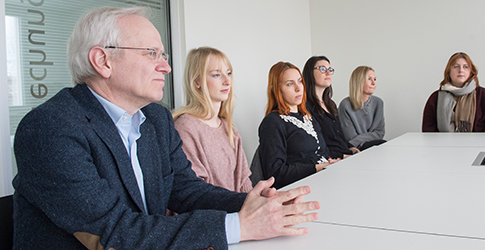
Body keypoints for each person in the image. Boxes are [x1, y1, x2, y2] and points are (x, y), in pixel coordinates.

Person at [11, 7, 319, 250]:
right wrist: (240, 225)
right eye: (151, 54)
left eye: (164, 54)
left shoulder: (155, 118)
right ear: (103, 60)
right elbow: (115, 231)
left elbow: (185, 191)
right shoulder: (49, 128)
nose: (166, 67)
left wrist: (254, 204)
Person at [172, 47, 252, 193]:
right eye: (216, 75)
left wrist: (256, 204)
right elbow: (194, 192)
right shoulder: (185, 128)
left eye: (228, 73)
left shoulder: (230, 128)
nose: (228, 81)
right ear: (197, 81)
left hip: (237, 212)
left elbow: (243, 181)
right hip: (213, 214)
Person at [257, 61, 336, 189]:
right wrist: (315, 168)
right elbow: (275, 173)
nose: (298, 88)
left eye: (300, 81)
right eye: (290, 84)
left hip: (323, 179)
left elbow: (324, 152)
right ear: (277, 89)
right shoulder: (273, 122)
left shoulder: (308, 117)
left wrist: (330, 162)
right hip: (299, 188)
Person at [422, 52, 485, 132]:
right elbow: (428, 129)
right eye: (456, 66)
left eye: (465, 67)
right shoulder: (436, 98)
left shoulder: (483, 96)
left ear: (471, 72)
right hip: (443, 143)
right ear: (449, 71)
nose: (461, 70)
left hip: (477, 144)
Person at [303, 56, 359, 159]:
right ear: (310, 73)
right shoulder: (306, 106)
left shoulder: (331, 104)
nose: (328, 73)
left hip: (345, 154)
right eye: (322, 69)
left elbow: (340, 137)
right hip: (331, 159)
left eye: (330, 69)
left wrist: (351, 148)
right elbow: (318, 144)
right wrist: (342, 156)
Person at [338, 66, 386, 150]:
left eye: (375, 79)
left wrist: (361, 138)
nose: (373, 83)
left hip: (375, 145)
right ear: (358, 81)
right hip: (356, 148)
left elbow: (380, 133)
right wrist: (371, 136)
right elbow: (350, 138)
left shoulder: (378, 103)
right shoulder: (345, 105)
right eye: (369, 79)